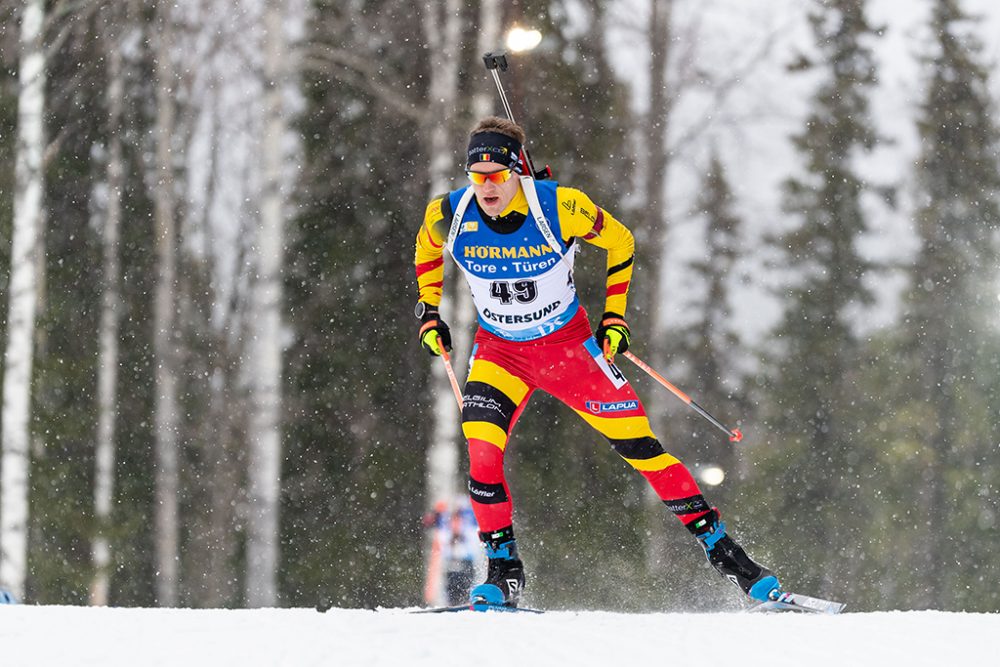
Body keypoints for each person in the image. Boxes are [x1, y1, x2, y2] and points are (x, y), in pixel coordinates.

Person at [413, 116, 779, 608]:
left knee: (643, 450)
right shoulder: (449, 213)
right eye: (477, 176)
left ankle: (726, 553)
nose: (486, 187)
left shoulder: (562, 207)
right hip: (502, 353)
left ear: (517, 173)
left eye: (497, 176)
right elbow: (426, 249)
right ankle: (504, 572)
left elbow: (621, 241)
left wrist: (614, 318)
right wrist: (429, 311)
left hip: (569, 351)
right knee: (481, 453)